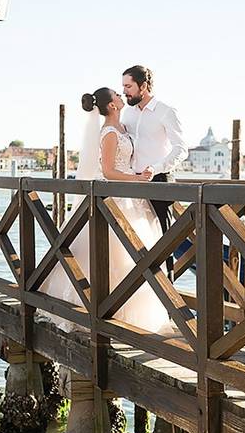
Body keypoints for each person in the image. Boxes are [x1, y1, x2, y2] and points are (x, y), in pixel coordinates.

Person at [42, 87, 170, 334]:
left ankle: (128, 312)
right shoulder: (109, 133)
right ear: (112, 105)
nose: (122, 97)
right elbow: (109, 172)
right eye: (117, 95)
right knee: (114, 254)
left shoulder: (123, 129)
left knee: (135, 255)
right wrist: (138, 179)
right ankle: (102, 309)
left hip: (129, 198)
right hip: (114, 197)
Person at [120, 65, 186, 277]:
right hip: (132, 183)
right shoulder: (127, 113)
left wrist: (156, 168)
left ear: (144, 86)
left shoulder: (166, 111)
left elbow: (181, 149)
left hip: (159, 182)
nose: (124, 91)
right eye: (123, 86)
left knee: (162, 240)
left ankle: (168, 296)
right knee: (133, 240)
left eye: (128, 86)